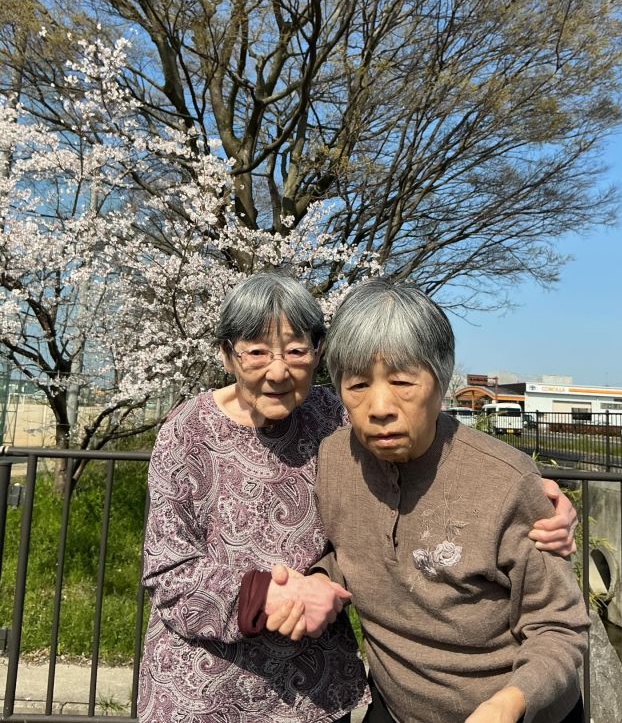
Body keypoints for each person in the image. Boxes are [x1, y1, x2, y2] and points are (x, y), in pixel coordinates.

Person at [138, 271, 579, 723]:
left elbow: (460, 471)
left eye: (295, 350)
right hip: (208, 687)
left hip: (315, 691)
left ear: (317, 353)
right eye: (255, 351)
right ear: (226, 355)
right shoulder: (189, 431)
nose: (277, 370)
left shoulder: (334, 418)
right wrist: (277, 592)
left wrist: (547, 503)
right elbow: (166, 567)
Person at [272, 279, 588, 723]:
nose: (379, 405)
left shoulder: (506, 482)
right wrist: (322, 580)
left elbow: (560, 627)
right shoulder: (334, 457)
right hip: (396, 705)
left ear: (441, 381)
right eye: (358, 384)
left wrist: (506, 705)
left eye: (402, 382)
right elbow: (358, 548)